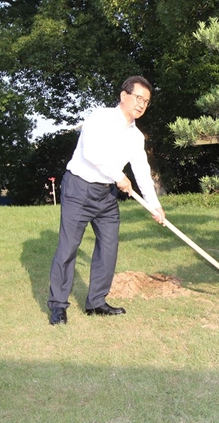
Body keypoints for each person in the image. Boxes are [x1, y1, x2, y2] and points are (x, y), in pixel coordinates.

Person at [47, 76, 165, 325]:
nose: (142, 104)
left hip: (106, 197)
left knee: (108, 248)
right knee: (68, 248)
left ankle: (96, 302)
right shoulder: (100, 118)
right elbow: (91, 152)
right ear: (124, 96)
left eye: (146, 101)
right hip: (79, 189)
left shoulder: (136, 136)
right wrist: (119, 177)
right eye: (138, 98)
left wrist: (155, 205)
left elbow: (142, 170)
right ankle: (58, 306)